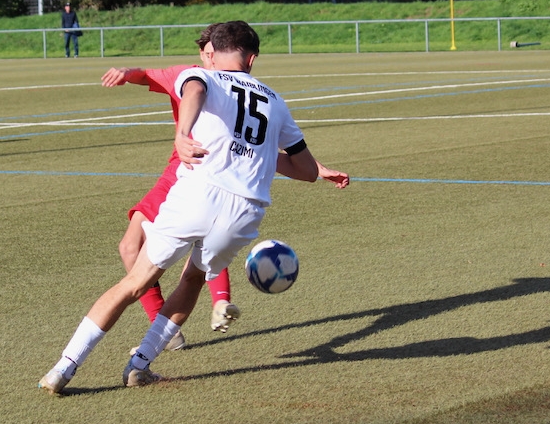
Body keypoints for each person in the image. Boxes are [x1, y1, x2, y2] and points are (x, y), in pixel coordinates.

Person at [39, 21, 349, 394]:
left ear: (213, 52)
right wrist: (314, 169)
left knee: (134, 282)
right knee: (193, 280)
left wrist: (182, 134)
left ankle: (63, 368)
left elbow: (195, 90)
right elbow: (303, 169)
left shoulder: (202, 74)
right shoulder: (275, 101)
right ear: (252, 59)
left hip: (198, 193)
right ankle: (139, 366)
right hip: (244, 212)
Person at [102, 25, 239, 350]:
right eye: (208, 52)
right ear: (202, 54)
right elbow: (147, 75)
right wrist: (127, 73)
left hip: (205, 173)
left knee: (200, 242)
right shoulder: (186, 76)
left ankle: (205, 309)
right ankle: (169, 328)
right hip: (179, 170)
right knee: (131, 247)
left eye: (217, 53)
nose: (212, 59)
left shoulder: (237, 88)